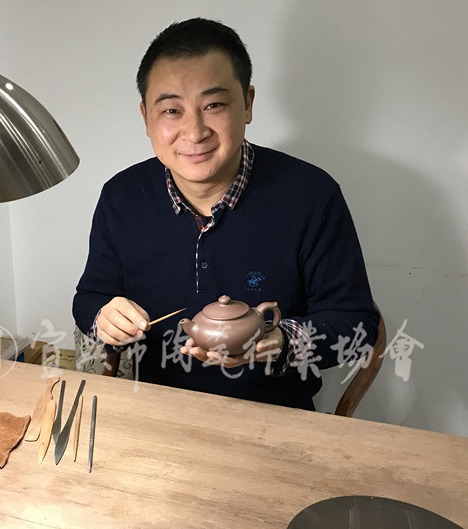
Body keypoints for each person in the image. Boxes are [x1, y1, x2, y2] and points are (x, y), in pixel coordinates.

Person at [72, 17, 378, 410]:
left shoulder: (311, 195)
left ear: (247, 103)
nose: (194, 131)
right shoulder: (122, 197)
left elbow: (356, 323)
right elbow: (90, 296)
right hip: (158, 412)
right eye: (171, 110)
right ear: (146, 117)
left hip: (277, 417)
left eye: (214, 105)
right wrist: (103, 316)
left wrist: (279, 340)